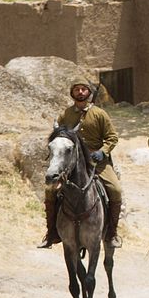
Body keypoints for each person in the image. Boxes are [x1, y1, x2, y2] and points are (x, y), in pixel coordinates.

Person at [38, 81, 122, 249]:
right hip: (73, 162)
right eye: (77, 89)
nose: (80, 92)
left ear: (89, 93)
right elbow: (58, 138)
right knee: (50, 190)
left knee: (115, 189)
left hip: (97, 161)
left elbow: (112, 137)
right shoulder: (65, 115)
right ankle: (51, 233)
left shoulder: (100, 114)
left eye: (83, 89)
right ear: (72, 93)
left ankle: (112, 233)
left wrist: (103, 152)